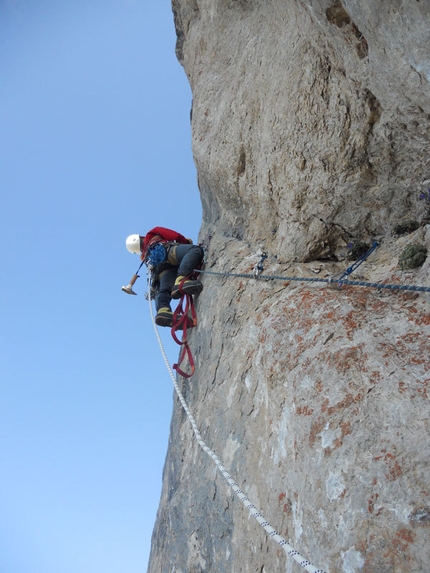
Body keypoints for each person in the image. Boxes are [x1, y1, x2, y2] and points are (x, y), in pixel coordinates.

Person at [125, 227, 204, 327]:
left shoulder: (145, 257)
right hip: (168, 253)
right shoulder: (153, 233)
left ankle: (163, 310)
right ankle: (181, 280)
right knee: (194, 250)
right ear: (140, 237)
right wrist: (185, 242)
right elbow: (175, 236)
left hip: (159, 270)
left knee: (165, 288)